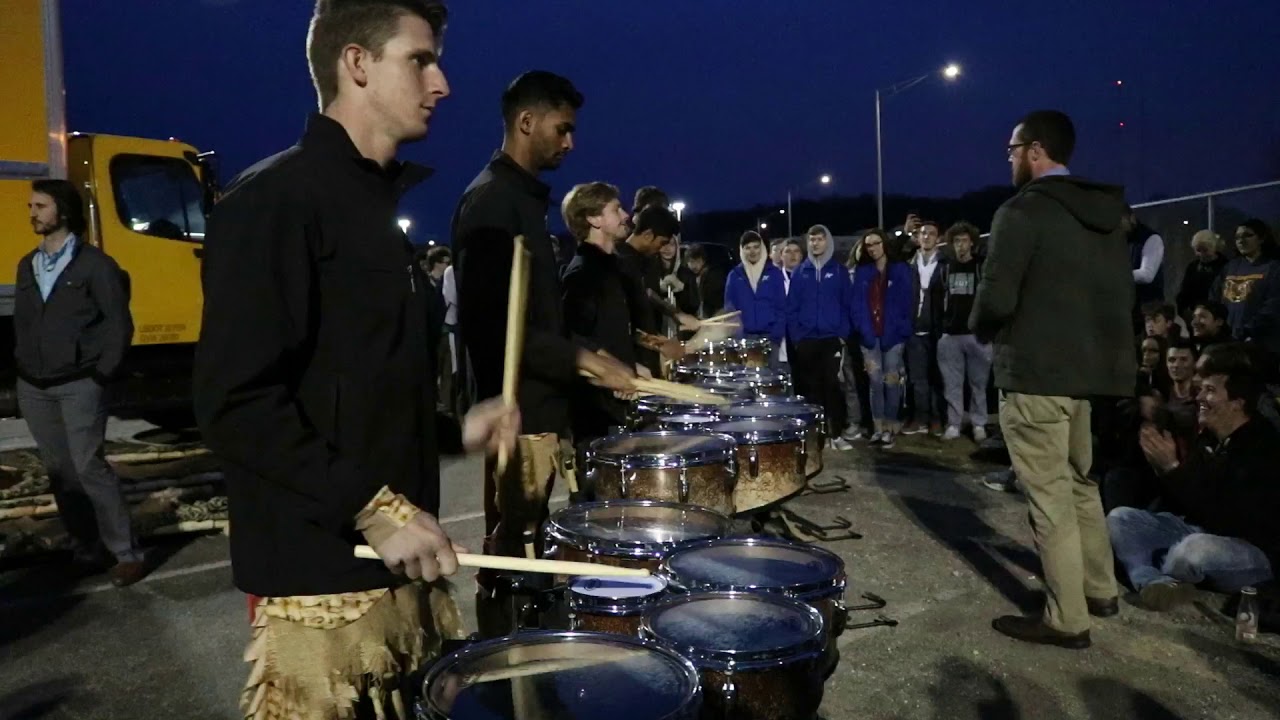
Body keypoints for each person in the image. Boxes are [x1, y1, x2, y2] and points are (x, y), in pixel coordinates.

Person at [193, 3, 521, 716]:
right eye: (421, 60)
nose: (443, 83)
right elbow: (235, 403)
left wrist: (451, 431)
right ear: (357, 64)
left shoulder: (373, 209)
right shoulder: (273, 202)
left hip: (398, 573)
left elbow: (358, 385)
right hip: (321, 583)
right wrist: (374, 510)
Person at [451, 69, 635, 621]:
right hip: (515, 415)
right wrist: (579, 357)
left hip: (542, 408)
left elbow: (537, 317)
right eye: (562, 128)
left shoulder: (521, 201)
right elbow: (492, 328)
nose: (570, 142)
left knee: (529, 544)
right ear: (526, 122)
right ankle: (504, 661)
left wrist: (587, 354)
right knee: (511, 552)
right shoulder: (490, 202)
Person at [971, 109, 1135, 648]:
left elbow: (996, 295)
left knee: (1050, 499)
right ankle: (1099, 588)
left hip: (1036, 372)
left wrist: (981, 326)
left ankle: (1067, 618)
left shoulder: (1024, 211)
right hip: (1088, 376)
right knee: (1082, 484)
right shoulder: (1106, 214)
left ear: (1036, 150)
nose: (1010, 158)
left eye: (1013, 149)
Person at [14, 179, 142, 587]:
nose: (32, 212)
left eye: (41, 205)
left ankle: (126, 553)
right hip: (34, 385)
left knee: (89, 466)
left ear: (63, 212)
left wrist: (101, 373)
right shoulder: (26, 265)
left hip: (79, 383)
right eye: (31, 205)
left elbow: (118, 324)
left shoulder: (95, 265)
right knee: (60, 470)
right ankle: (87, 547)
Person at [1111, 343, 1279, 610]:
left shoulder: (1263, 446)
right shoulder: (1211, 436)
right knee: (1121, 518)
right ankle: (1153, 582)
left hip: (1250, 550)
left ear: (1237, 403)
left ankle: (1158, 570)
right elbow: (1189, 501)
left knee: (1191, 550)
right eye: (1201, 389)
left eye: (1210, 391)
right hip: (1202, 530)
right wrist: (1163, 469)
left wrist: (1173, 470)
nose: (1200, 396)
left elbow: (1228, 516)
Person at [560, 183, 639, 455]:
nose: (626, 215)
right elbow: (573, 336)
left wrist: (635, 362)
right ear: (593, 219)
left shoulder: (610, 268)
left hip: (617, 407)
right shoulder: (582, 274)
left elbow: (609, 332)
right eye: (616, 209)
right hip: (597, 416)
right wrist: (613, 368)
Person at [786, 224, 851, 447]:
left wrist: (842, 333)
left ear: (828, 241)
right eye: (812, 239)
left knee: (832, 386)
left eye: (820, 239)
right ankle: (817, 436)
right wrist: (798, 337)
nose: (815, 243)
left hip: (831, 338)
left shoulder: (839, 271)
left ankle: (836, 433)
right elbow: (792, 308)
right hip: (807, 340)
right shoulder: (800, 272)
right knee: (811, 389)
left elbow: (847, 305)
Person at [850, 229, 914, 447]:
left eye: (876, 243)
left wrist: (902, 330)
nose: (873, 248)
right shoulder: (863, 271)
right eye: (869, 245)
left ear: (884, 244)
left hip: (893, 336)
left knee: (891, 381)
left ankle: (890, 426)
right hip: (870, 337)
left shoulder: (900, 270)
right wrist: (864, 330)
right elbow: (857, 305)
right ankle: (878, 428)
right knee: (875, 382)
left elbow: (907, 302)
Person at [937, 222, 992, 442]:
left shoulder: (981, 266)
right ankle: (954, 424)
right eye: (957, 241)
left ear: (972, 243)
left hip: (977, 335)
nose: (961, 245)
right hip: (951, 334)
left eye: (964, 241)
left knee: (978, 383)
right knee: (952, 384)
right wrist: (942, 328)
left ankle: (979, 424)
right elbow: (938, 300)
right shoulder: (946, 268)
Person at [1213, 220, 1280, 365]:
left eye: (1247, 235)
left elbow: (1273, 306)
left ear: (1261, 238)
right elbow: (1214, 299)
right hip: (1227, 342)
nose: (1241, 241)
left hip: (1260, 345)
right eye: (1237, 237)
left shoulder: (1273, 269)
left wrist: (1248, 331)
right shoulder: (1230, 267)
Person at [904, 220, 946, 435]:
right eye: (923, 234)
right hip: (914, 330)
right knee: (917, 378)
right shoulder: (909, 264)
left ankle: (936, 419)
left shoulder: (945, 264)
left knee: (937, 378)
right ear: (917, 238)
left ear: (938, 238)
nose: (927, 237)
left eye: (931, 233)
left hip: (937, 331)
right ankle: (919, 417)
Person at [723, 231, 786, 364]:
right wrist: (739, 338)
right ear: (742, 250)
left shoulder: (774, 274)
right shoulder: (734, 275)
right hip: (744, 340)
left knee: (770, 380)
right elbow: (730, 309)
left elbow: (781, 307)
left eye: (756, 247)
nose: (752, 251)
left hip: (770, 338)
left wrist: (775, 336)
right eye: (747, 248)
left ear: (762, 248)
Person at [1124, 206, 1166, 335]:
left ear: (1131, 217)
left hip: (1148, 307)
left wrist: (1118, 275)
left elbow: (1147, 275)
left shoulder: (1151, 238)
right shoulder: (1121, 240)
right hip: (1129, 306)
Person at [1175, 230, 1227, 323]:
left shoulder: (1226, 267)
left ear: (1214, 247)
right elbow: (1184, 291)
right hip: (1193, 315)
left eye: (1205, 250)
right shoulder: (1193, 266)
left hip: (1216, 316)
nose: (1202, 254)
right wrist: (1184, 312)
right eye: (1198, 250)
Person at [685, 244, 726, 319]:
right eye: (691, 262)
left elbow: (717, 301)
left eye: (698, 261)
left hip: (713, 318)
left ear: (703, 261)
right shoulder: (689, 278)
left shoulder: (714, 276)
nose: (694, 265)